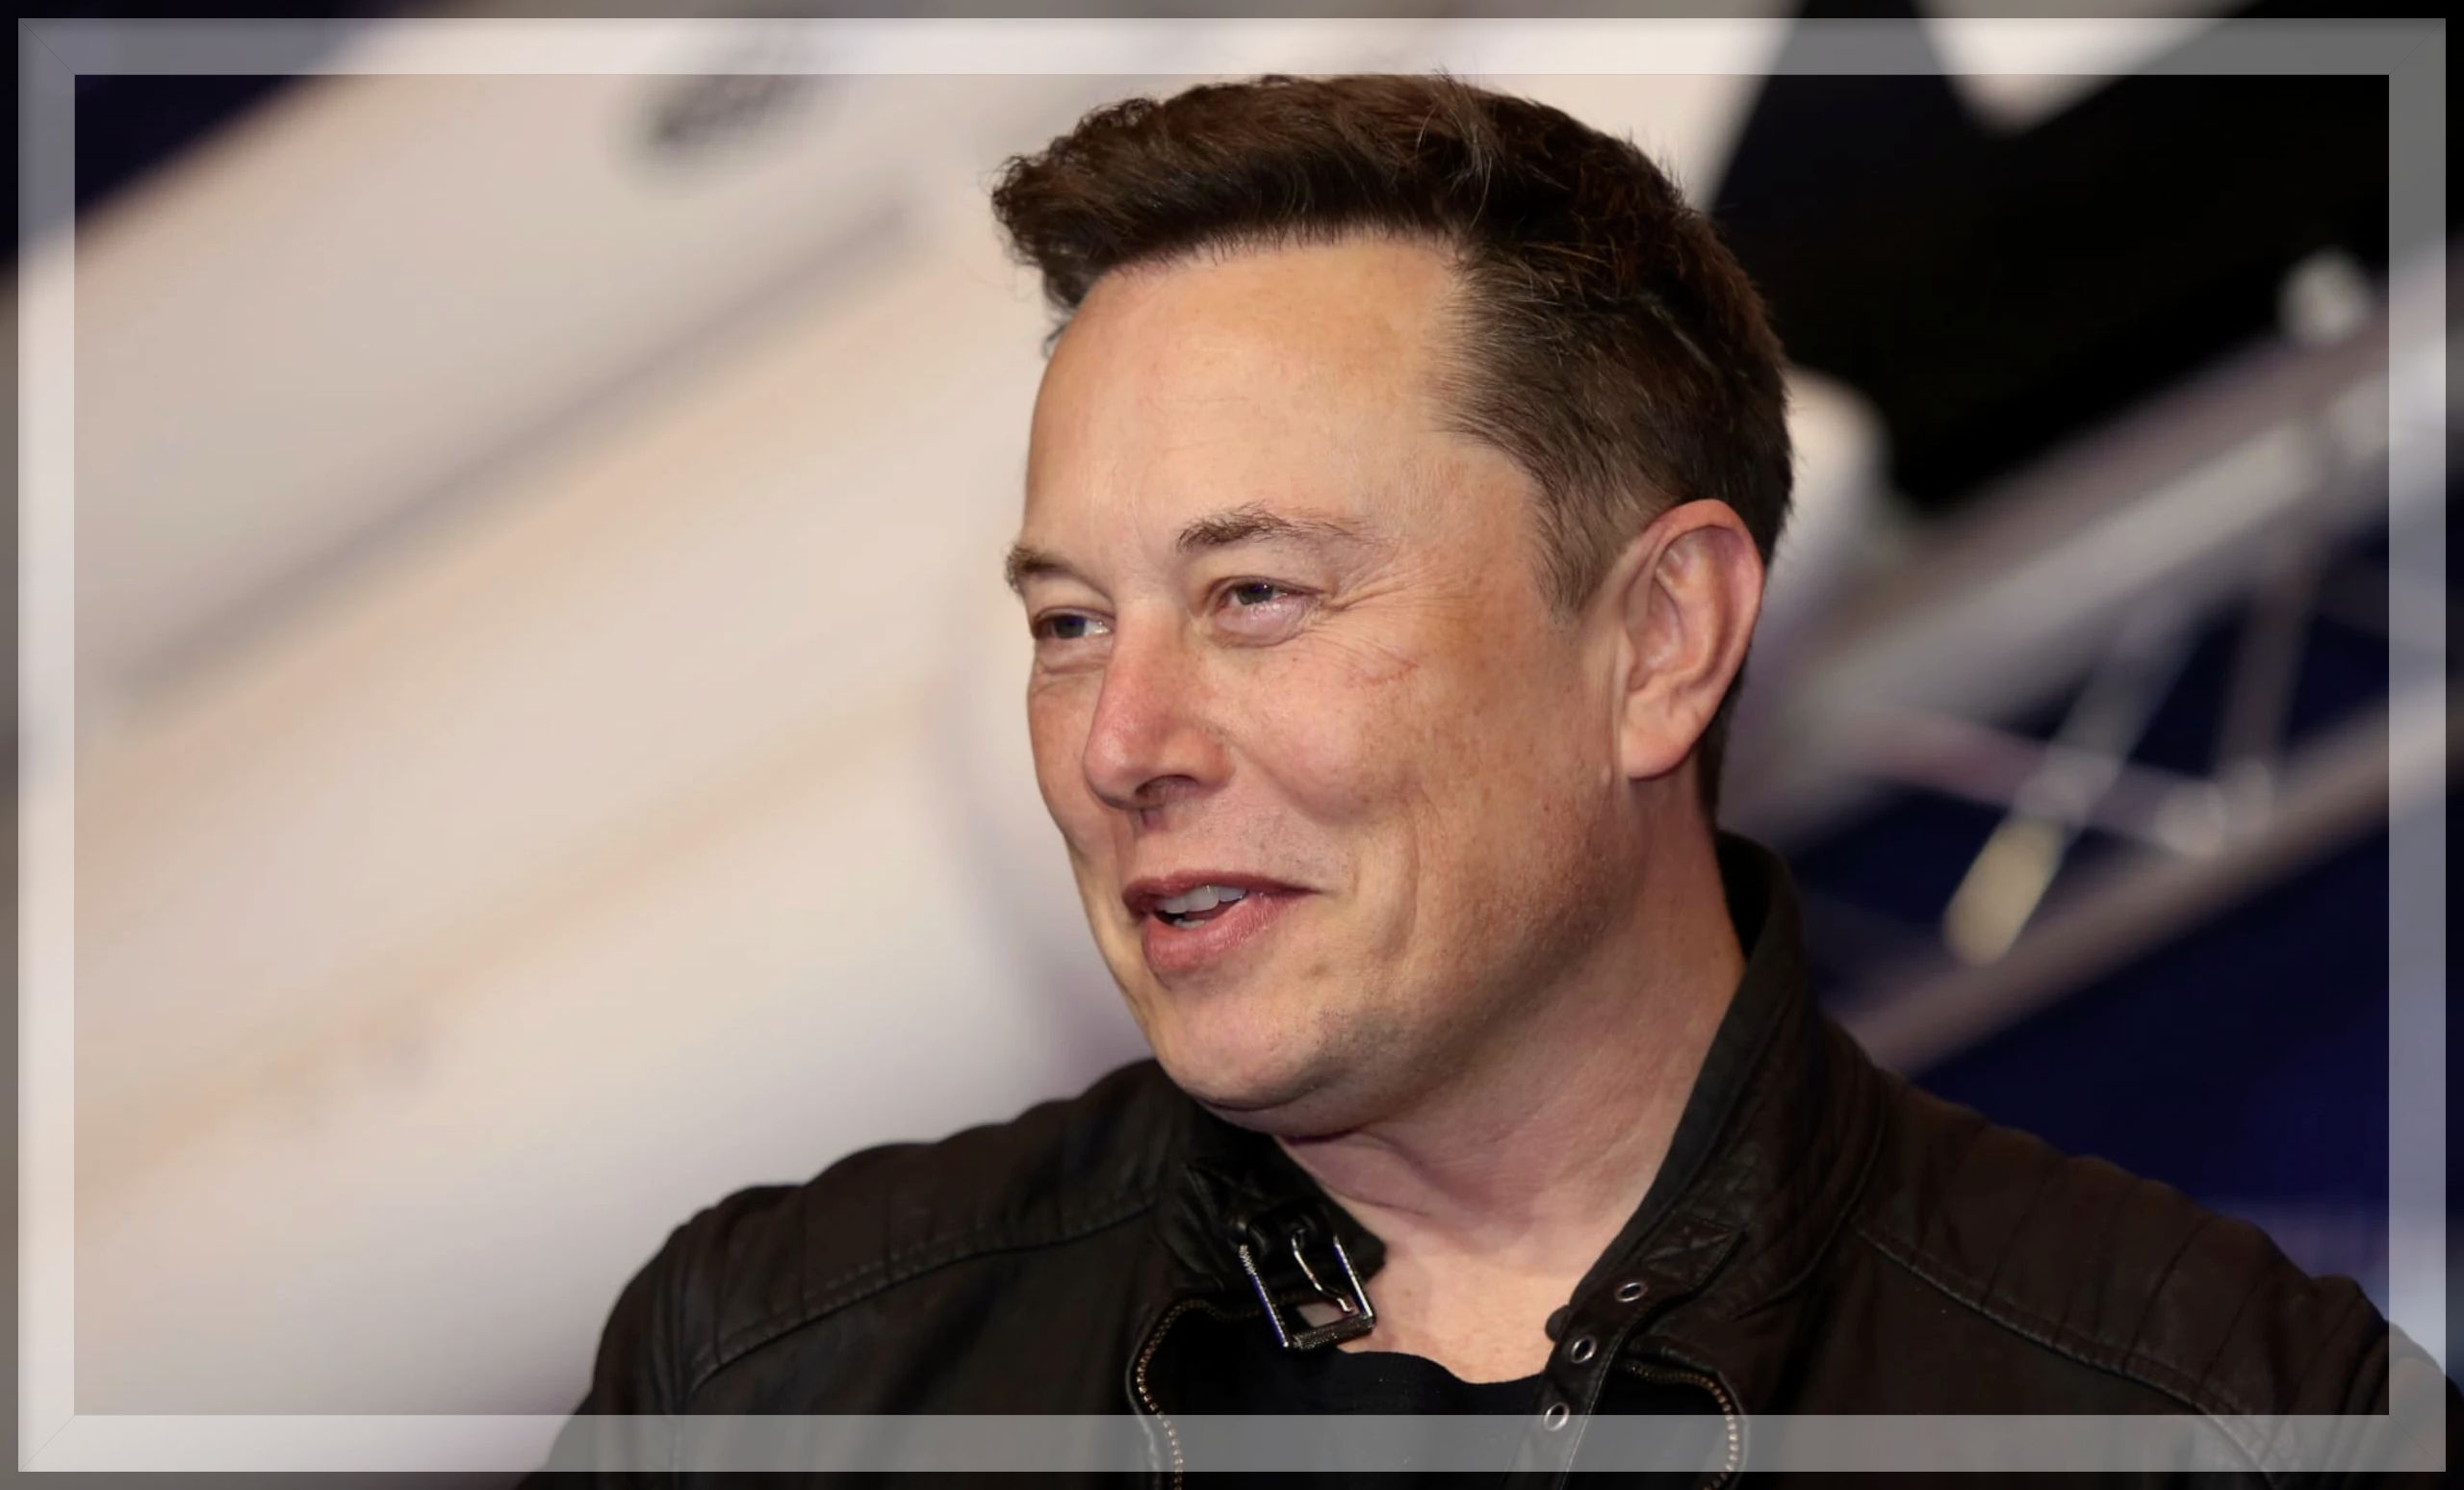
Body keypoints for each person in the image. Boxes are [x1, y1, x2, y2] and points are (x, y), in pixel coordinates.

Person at [533, 73, 2440, 1484]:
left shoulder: (2213, 1420)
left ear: (1659, 640)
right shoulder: (774, 1371)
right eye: (1068, 624)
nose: (1119, 745)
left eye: (1255, 595)